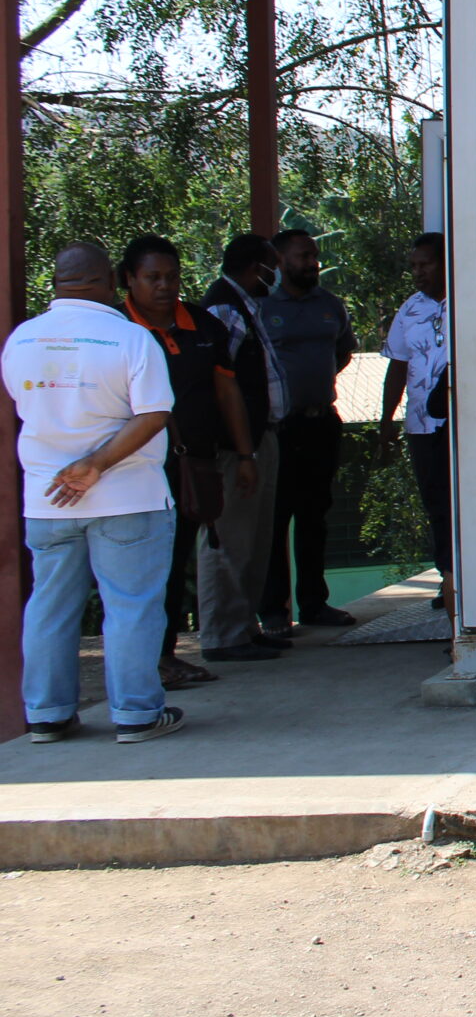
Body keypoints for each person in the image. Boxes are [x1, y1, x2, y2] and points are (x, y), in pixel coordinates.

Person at [4, 243, 184, 742]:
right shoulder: (130, 338)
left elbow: (27, 408)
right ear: (110, 279)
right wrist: (97, 463)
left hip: (48, 499)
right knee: (130, 605)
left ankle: (47, 714)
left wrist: (73, 464)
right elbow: (153, 413)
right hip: (129, 496)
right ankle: (136, 715)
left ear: (57, 281)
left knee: (49, 606)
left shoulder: (20, 341)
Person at [119, 236, 261, 682]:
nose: (164, 286)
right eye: (152, 278)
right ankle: (144, 665)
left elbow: (226, 391)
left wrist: (244, 454)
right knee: (134, 571)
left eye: (172, 277)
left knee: (175, 560)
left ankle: (164, 656)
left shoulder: (203, 326)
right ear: (129, 280)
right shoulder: (115, 328)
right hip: (125, 471)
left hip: (187, 469)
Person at [259, 228, 357, 629]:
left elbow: (342, 352)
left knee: (315, 515)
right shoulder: (263, 307)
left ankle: (314, 604)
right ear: (280, 261)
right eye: (302, 256)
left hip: (321, 424)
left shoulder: (330, 304)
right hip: (280, 429)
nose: (312, 262)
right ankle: (273, 612)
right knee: (276, 518)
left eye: (314, 255)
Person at [199, 234, 291, 655]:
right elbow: (219, 386)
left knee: (255, 538)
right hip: (238, 448)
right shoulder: (223, 309)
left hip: (259, 438)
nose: (276, 274)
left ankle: (245, 624)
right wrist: (240, 450)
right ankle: (222, 634)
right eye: (272, 265)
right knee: (229, 537)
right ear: (258, 266)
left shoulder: (246, 305)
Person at [380, 233, 453, 601]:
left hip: (463, 424)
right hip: (422, 425)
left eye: (425, 264)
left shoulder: (467, 297)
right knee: (437, 504)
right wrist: (385, 421)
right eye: (413, 266)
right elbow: (397, 365)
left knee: (465, 502)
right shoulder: (410, 309)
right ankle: (448, 579)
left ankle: (469, 576)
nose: (418, 272)